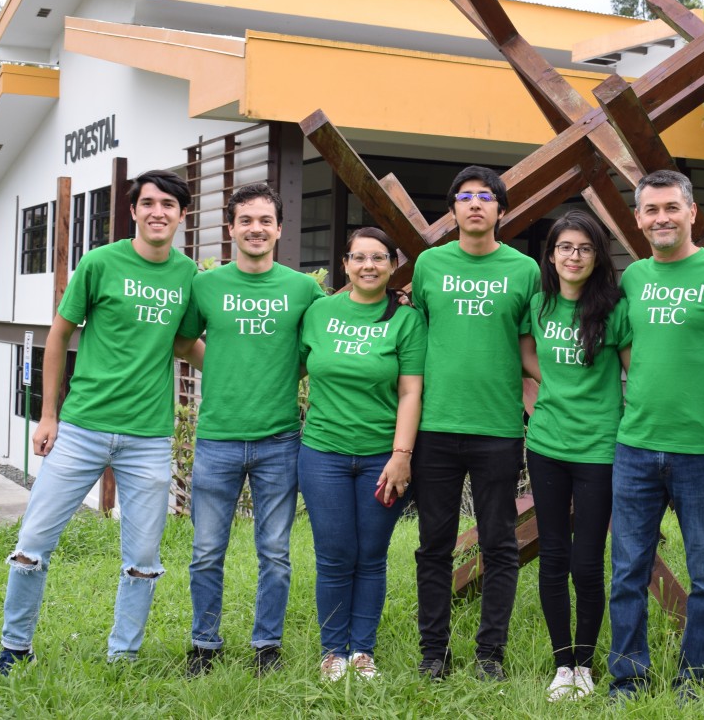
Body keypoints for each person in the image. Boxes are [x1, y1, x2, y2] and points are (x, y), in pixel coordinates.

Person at [0, 170, 197, 673]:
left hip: (148, 437)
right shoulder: (100, 263)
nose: (158, 212)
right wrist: (48, 414)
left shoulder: (189, 276)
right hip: (82, 427)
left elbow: (184, 343)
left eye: (168, 205)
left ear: (182, 215)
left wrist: (245, 376)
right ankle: (14, 649)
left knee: (143, 560)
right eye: (148, 203)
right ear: (133, 211)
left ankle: (123, 657)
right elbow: (58, 336)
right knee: (32, 545)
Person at [176, 183, 323, 677]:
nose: (255, 229)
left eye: (265, 220)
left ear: (279, 229)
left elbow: (318, 351)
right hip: (217, 439)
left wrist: (279, 375)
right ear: (231, 228)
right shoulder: (206, 286)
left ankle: (267, 646)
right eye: (246, 220)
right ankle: (204, 644)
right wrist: (222, 367)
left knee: (275, 553)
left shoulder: (304, 290)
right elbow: (184, 343)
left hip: (279, 441)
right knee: (205, 552)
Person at [410, 165, 538, 681]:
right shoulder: (429, 265)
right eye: (465, 197)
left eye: (486, 197)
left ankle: (490, 655)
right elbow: (416, 339)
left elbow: (529, 350)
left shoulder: (524, 270)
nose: (475, 204)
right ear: (453, 211)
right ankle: (433, 653)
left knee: (499, 545)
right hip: (436, 428)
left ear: (501, 210)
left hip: (498, 429)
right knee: (434, 546)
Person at [297, 227, 425, 681]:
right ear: (345, 264)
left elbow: (411, 392)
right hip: (323, 454)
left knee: (371, 554)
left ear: (392, 265)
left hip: (381, 457)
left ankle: (362, 651)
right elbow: (291, 367)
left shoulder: (406, 320)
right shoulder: (318, 312)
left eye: (378, 258)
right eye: (359, 257)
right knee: (334, 554)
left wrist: (401, 454)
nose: (368, 265)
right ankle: (333, 651)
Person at [607, 169, 704, 699]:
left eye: (672, 207)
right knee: (628, 571)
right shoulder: (632, 278)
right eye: (651, 209)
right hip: (636, 445)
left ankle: (693, 680)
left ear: (692, 212)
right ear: (637, 219)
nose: (661, 218)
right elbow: (627, 348)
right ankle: (628, 678)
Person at [518, 211, 629, 701]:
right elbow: (525, 353)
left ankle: (585, 664)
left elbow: (634, 372)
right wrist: (551, 389)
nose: (574, 256)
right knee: (553, 557)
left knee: (586, 562)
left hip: (599, 449)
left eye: (585, 248)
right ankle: (562, 664)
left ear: (597, 256)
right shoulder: (539, 304)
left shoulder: (613, 309)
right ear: (551, 255)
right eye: (565, 247)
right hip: (546, 446)